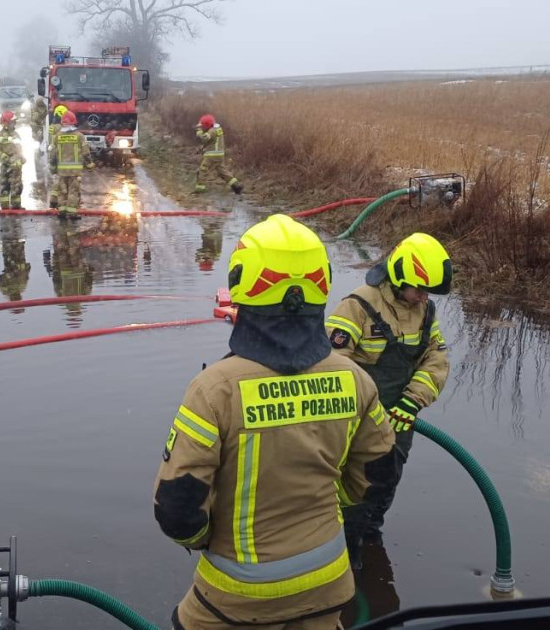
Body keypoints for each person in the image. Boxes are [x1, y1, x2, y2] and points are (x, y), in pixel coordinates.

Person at [155, 214, 394, 630]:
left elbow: (177, 509)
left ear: (242, 286)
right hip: (328, 581)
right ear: (322, 286)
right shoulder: (356, 380)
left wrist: (209, 541)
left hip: (238, 595)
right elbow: (377, 477)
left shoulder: (215, 390)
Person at [325, 232, 452, 566]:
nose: (423, 297)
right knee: (353, 483)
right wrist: (362, 409)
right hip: (356, 420)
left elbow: (435, 359)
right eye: (419, 289)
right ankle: (345, 553)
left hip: (399, 416)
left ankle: (371, 533)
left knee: (388, 477)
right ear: (398, 278)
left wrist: (413, 401)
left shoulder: (424, 311)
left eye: (428, 292)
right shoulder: (358, 305)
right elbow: (331, 364)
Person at [49, 110, 92, 219]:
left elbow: (53, 154)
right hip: (74, 171)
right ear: (74, 122)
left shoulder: (57, 137)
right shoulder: (79, 136)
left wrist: (53, 167)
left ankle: (62, 212)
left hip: (62, 171)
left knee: (62, 191)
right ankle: (72, 213)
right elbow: (86, 152)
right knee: (73, 192)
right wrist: (90, 164)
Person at [194, 114, 243, 195]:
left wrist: (199, 132)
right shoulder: (217, 129)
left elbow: (205, 139)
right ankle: (236, 186)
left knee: (203, 169)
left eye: (203, 126)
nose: (202, 127)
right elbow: (211, 142)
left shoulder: (212, 131)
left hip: (212, 155)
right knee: (222, 171)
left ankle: (200, 189)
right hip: (219, 155)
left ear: (207, 125)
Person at [0, 111, 25, 210]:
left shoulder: (16, 134)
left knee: (17, 187)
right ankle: (5, 208)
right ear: (6, 123)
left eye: (14, 122)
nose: (14, 124)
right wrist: (6, 158)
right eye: (12, 122)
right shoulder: (0, 136)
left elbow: (20, 148)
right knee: (4, 186)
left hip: (16, 167)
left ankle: (16, 207)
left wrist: (21, 158)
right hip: (5, 166)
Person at [46, 105, 69, 209]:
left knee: (57, 177)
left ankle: (54, 200)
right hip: (59, 155)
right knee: (61, 178)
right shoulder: (61, 128)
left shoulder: (52, 127)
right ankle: (56, 201)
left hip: (53, 154)